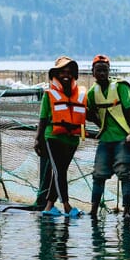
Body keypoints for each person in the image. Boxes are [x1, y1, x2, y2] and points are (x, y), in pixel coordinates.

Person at [86, 55, 130, 219]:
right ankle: (94, 210)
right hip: (106, 140)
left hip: (123, 138)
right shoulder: (92, 92)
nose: (102, 73)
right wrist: (100, 126)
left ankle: (127, 211)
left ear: (109, 71)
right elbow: (90, 113)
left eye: (105, 70)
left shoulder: (120, 87)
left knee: (125, 174)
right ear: (93, 72)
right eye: (98, 70)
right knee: (98, 175)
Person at [35, 56, 85, 217]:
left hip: (72, 139)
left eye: (69, 72)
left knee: (60, 171)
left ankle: (49, 207)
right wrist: (38, 139)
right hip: (53, 138)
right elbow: (43, 118)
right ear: (55, 74)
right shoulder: (49, 94)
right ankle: (66, 206)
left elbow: (88, 113)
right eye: (62, 71)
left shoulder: (81, 93)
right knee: (59, 172)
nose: (66, 75)